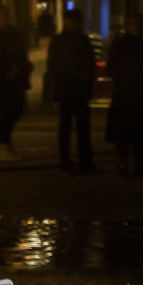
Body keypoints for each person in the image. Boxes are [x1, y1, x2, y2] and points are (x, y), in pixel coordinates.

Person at [106, 12, 143, 176]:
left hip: (139, 93)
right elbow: (112, 67)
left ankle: (138, 163)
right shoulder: (123, 45)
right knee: (124, 131)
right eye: (133, 24)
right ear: (129, 26)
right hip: (125, 93)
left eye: (138, 24)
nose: (136, 27)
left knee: (139, 132)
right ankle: (124, 162)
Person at [46, 9, 99, 173]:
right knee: (69, 126)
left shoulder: (74, 40)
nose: (71, 23)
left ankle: (80, 161)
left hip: (75, 88)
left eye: (73, 20)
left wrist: (87, 76)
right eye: (70, 20)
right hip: (69, 88)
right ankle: (72, 161)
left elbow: (90, 63)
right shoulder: (67, 40)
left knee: (78, 126)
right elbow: (54, 65)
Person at [0, 6, 32, 162]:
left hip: (16, 79)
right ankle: (5, 147)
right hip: (1, 80)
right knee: (6, 112)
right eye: (0, 16)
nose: (4, 19)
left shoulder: (15, 33)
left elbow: (21, 52)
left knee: (17, 109)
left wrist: (20, 66)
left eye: (5, 16)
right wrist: (10, 66)